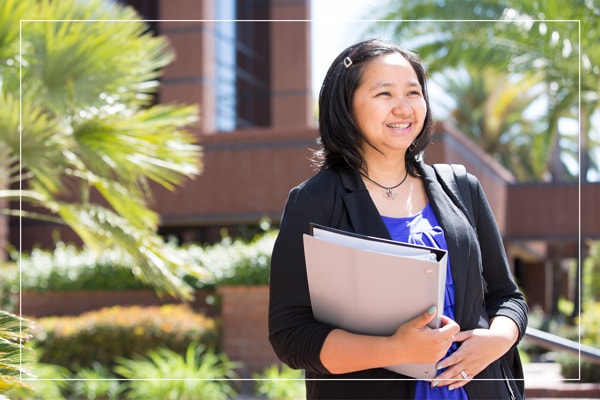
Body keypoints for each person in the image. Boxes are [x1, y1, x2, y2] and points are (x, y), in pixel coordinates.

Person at [268, 38, 528, 399]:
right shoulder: (314, 201)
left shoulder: (462, 188)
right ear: (347, 105)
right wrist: (396, 349)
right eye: (384, 94)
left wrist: (496, 339)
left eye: (413, 92)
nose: (404, 108)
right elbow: (291, 334)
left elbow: (507, 297)